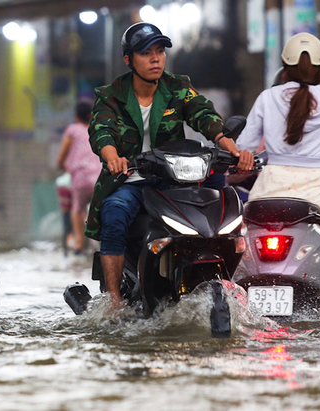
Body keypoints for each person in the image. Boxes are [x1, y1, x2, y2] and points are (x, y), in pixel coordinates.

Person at [85, 22, 254, 309]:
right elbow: (102, 130)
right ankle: (113, 301)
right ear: (129, 60)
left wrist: (232, 148)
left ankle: (236, 278)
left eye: (160, 51)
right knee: (114, 213)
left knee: (225, 202)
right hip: (132, 179)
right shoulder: (110, 94)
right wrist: (112, 155)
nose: (155, 59)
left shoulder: (177, 87)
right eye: (146, 53)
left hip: (175, 179)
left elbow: (203, 114)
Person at [236, 33, 320, 323]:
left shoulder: (267, 98)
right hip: (318, 193)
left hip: (270, 190)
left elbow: (244, 145)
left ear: (284, 67)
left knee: (240, 248)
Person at [56, 100, 101, 255]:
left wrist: (63, 166)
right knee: (99, 208)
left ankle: (79, 244)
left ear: (76, 116)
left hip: (80, 176)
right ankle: (100, 242)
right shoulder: (97, 130)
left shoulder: (72, 130)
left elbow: (61, 157)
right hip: (98, 176)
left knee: (77, 208)